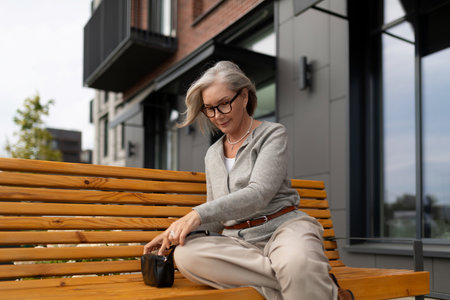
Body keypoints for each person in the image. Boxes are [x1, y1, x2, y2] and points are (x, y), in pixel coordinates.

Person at [143, 61, 338, 299]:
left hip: (283, 229)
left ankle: (300, 272)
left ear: (244, 96)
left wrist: (195, 214)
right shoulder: (212, 154)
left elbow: (259, 193)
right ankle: (308, 280)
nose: (217, 116)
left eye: (224, 104)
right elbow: (215, 223)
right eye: (209, 109)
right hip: (238, 244)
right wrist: (173, 234)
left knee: (296, 261)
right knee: (186, 255)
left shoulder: (272, 134)